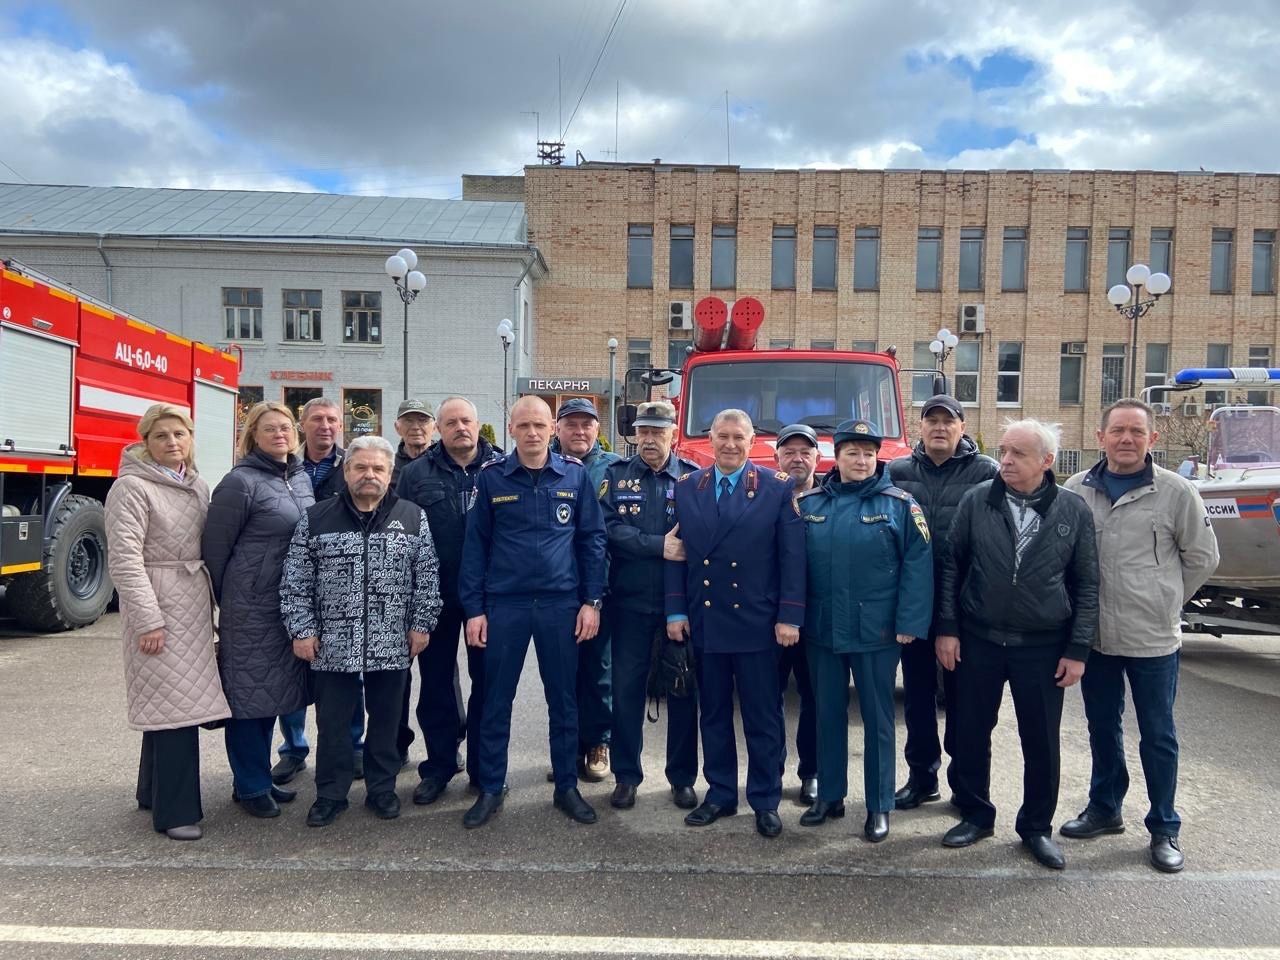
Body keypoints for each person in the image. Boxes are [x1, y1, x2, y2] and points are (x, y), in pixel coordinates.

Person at [1060, 399, 1219, 873]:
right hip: (1095, 639)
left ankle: (1164, 826)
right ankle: (1105, 808)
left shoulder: (1177, 492)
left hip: (1153, 640)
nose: (1126, 439)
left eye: (1136, 431)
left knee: (1157, 733)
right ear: (1100, 436)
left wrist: (1166, 599)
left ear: (1152, 439)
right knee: (1101, 727)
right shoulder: (1075, 491)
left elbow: (1203, 557)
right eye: (1117, 430)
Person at [936, 419, 1098, 870]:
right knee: (970, 732)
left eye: (1018, 454)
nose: (1005, 460)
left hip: (1043, 646)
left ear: (1046, 462)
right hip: (979, 639)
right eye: (1004, 451)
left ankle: (1035, 828)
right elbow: (952, 567)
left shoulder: (1072, 510)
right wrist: (947, 629)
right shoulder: (977, 501)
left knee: (1041, 741)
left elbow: (1087, 584)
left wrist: (1078, 649)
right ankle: (975, 813)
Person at [458, 396, 608, 828]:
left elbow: (592, 542)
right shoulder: (491, 480)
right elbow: (475, 547)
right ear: (511, 429)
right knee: (494, 701)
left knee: (563, 701)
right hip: (505, 605)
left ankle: (566, 787)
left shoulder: (574, 478)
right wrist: (474, 610)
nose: (533, 433)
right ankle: (490, 787)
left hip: (561, 605)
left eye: (540, 425)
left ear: (552, 430)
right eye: (524, 425)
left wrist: (591, 601)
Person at [281, 436, 442, 827]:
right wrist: (301, 630)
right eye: (360, 467)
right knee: (333, 723)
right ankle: (331, 794)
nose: (368, 475)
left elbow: (428, 576)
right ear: (346, 471)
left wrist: (422, 625)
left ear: (390, 475)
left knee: (386, 721)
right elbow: (296, 580)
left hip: (392, 640)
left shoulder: (411, 516)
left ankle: (381, 789)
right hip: (333, 643)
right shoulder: (316, 517)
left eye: (378, 469)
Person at [665, 409, 805, 839]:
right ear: (710, 439)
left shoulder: (775, 489)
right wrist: (675, 610)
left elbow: (792, 557)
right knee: (714, 714)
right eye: (722, 436)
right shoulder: (689, 487)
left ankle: (765, 799)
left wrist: (789, 616)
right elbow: (677, 552)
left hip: (758, 624)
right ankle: (721, 793)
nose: (729, 444)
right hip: (707, 620)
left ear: (751, 441)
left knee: (763, 717)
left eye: (738, 437)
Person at [798, 420, 933, 842]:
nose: (861, 460)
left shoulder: (900, 505)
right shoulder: (810, 504)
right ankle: (830, 796)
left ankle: (879, 805)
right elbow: (793, 568)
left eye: (869, 453)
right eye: (852, 452)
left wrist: (910, 623)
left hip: (876, 633)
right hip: (822, 630)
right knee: (827, 714)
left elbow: (919, 564)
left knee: (877, 722)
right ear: (835, 458)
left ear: (879, 458)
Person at [105, 403, 231, 841]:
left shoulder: (196, 484)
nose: (172, 442)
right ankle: (176, 811)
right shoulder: (131, 488)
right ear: (146, 441)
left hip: (192, 603)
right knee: (175, 706)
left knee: (170, 700)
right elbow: (124, 561)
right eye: (161, 436)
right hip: (159, 605)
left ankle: (151, 791)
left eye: (179, 434)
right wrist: (147, 620)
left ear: (191, 438)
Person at [203, 401, 314, 819]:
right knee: (249, 699)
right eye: (269, 429)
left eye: (285, 427)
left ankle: (259, 778)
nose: (279, 434)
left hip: (288, 605)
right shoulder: (239, 482)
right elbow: (215, 551)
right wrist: (231, 598)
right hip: (251, 608)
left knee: (274, 695)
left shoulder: (299, 480)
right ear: (253, 436)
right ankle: (249, 786)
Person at [887, 394, 998, 811]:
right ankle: (921, 777)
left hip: (966, 608)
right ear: (920, 427)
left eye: (947, 421)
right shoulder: (896, 472)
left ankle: (964, 781)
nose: (938, 427)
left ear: (961, 427)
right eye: (930, 420)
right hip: (913, 604)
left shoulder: (985, 472)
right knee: (916, 696)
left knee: (963, 700)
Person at [396, 396, 500, 805]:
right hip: (432, 595)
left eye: (467, 420)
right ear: (439, 429)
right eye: (451, 422)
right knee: (436, 685)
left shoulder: (501, 470)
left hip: (487, 599)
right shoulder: (417, 474)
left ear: (478, 425)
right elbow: (400, 536)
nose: (461, 427)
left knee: (488, 685)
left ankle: (483, 767)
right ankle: (439, 766)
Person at [599, 400, 700, 811]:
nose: (649, 439)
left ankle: (681, 778)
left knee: (682, 691)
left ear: (673, 433)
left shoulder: (694, 479)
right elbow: (605, 528)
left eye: (658, 431)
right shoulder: (615, 476)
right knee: (626, 692)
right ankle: (626, 775)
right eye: (643, 431)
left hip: (681, 608)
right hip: (630, 604)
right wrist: (658, 545)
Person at [272, 397, 364, 786]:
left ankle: (353, 746)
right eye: (317, 420)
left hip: (343, 584)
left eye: (332, 420)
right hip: (291, 578)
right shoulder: (282, 467)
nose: (325, 426)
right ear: (302, 424)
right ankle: (294, 749)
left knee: (348, 671)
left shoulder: (352, 466)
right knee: (291, 669)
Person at [550, 397, 620, 782]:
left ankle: (598, 741)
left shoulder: (615, 469)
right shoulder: (544, 466)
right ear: (557, 429)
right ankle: (568, 748)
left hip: (600, 583)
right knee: (562, 671)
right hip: (556, 586)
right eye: (571, 424)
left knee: (598, 668)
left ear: (597, 430)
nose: (579, 431)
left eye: (586, 424)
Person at [773, 423, 821, 805]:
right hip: (770, 619)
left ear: (818, 459)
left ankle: (812, 773)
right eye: (789, 451)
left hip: (818, 619)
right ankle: (770, 772)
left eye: (805, 451)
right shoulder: (764, 496)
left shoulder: (832, 499)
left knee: (815, 699)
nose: (797, 458)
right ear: (777, 458)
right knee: (767, 699)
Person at [392, 399, 436, 485]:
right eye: (408, 421)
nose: (415, 427)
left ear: (435, 427)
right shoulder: (388, 466)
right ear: (397, 428)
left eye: (423, 420)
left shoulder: (447, 463)